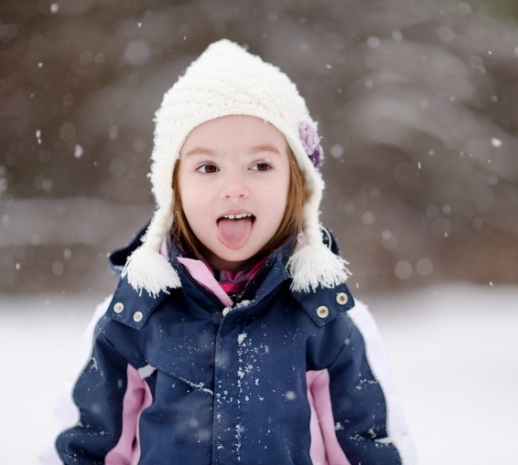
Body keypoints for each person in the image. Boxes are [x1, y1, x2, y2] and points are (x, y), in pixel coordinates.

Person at [53, 39, 415, 465]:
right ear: (174, 189)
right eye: (208, 168)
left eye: (260, 165)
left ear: (295, 185)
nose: (235, 187)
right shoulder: (131, 320)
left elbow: (372, 451)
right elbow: (82, 450)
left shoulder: (329, 320)